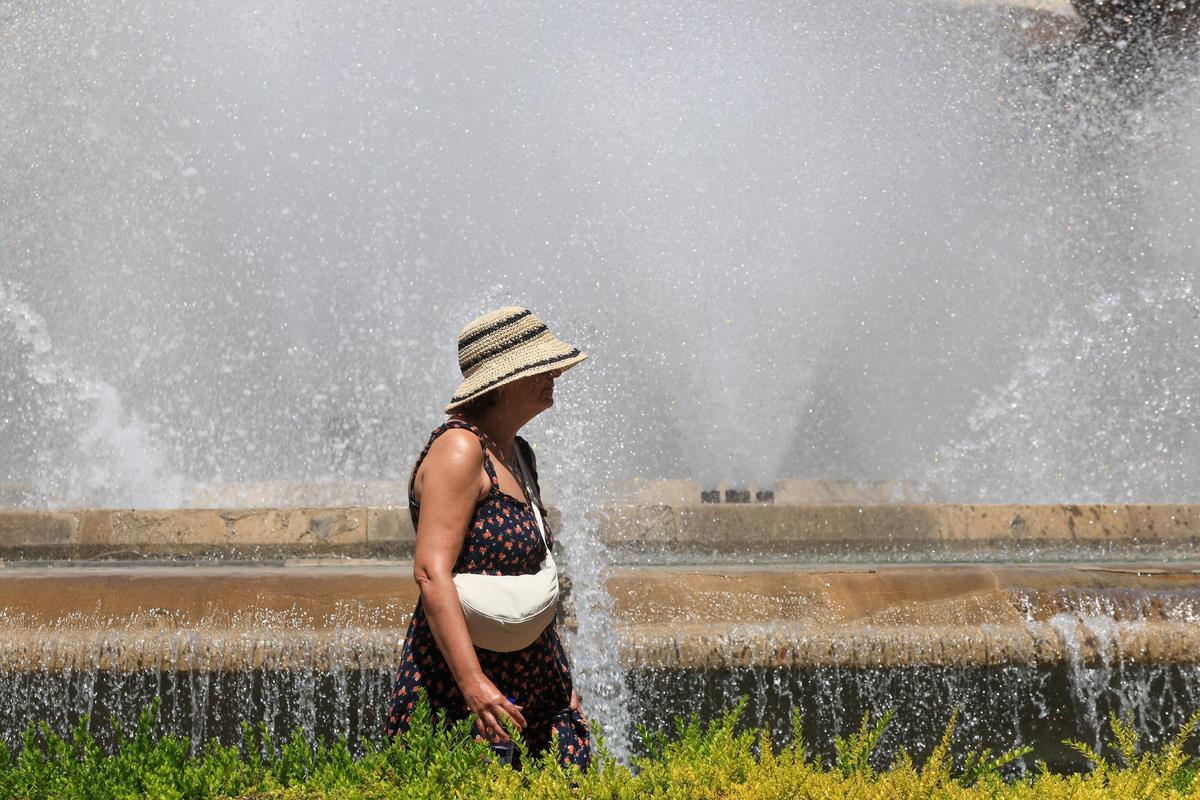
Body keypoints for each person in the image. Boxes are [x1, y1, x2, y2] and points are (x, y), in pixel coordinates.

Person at [385, 306, 591, 771]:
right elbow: (430, 572)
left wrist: (563, 678)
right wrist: (473, 684)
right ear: (502, 382)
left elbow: (531, 574)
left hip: (538, 681)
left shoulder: (519, 453)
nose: (554, 373)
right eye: (541, 366)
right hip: (467, 688)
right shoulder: (460, 449)